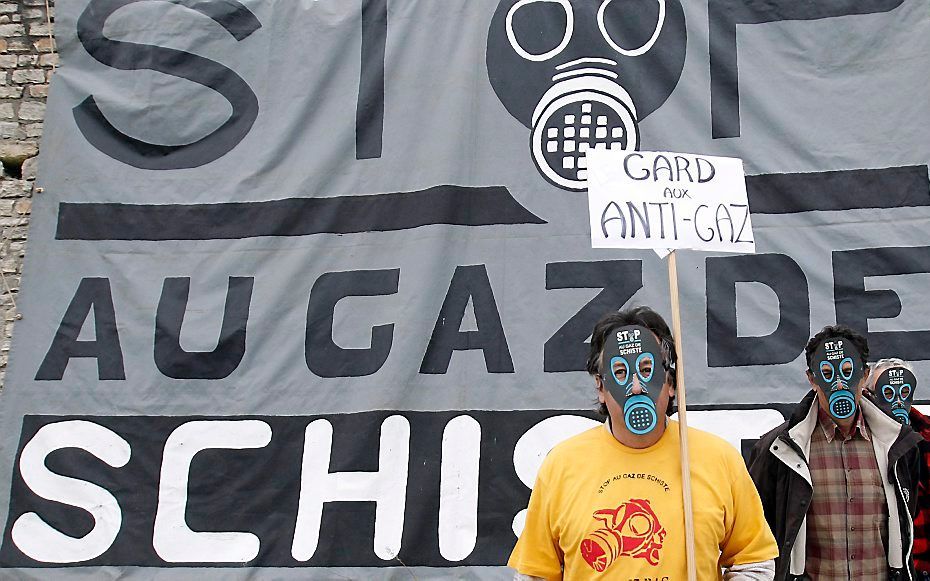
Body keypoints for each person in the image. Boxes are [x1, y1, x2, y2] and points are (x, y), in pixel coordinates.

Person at [508, 306, 778, 580]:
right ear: (600, 387)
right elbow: (534, 574)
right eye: (621, 373)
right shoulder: (561, 465)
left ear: (671, 383)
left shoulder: (719, 459)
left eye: (647, 369)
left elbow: (754, 563)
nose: (636, 387)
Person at [748, 326, 922, 580]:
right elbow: (759, 532)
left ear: (864, 376)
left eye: (848, 373)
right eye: (827, 373)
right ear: (811, 378)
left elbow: (908, 523)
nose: (839, 384)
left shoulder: (898, 444)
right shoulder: (778, 450)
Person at [865, 358, 930, 581]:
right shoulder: (859, 440)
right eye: (887, 393)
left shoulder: (927, 432)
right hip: (881, 566)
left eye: (904, 392)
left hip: (924, 564)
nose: (897, 402)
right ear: (869, 395)